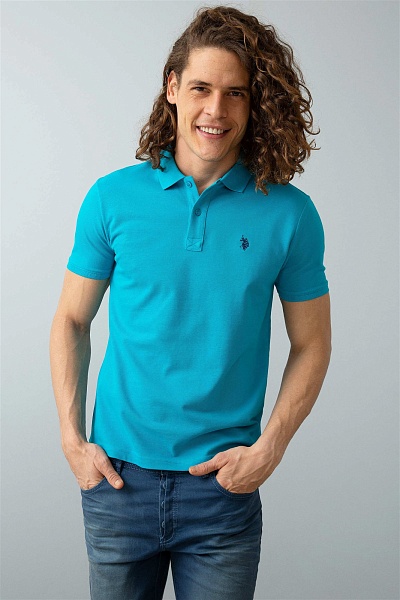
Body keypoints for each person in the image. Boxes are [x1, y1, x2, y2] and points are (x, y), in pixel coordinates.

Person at [50, 5, 331, 600]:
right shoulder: (111, 198)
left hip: (222, 492)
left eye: (235, 93)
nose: (216, 110)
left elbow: (312, 343)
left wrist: (270, 448)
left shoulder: (290, 214)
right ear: (172, 88)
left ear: (253, 104)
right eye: (201, 88)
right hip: (117, 482)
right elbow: (72, 319)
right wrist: (72, 441)